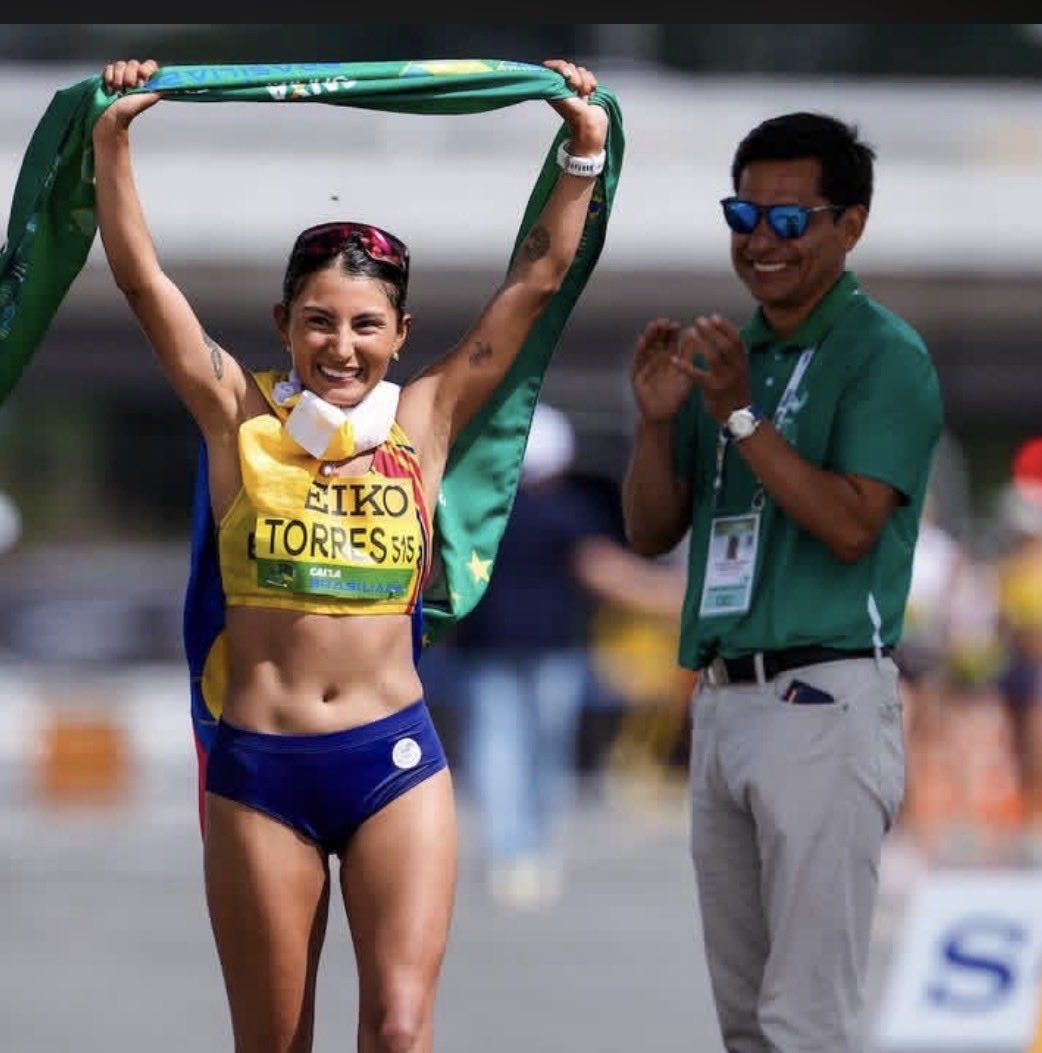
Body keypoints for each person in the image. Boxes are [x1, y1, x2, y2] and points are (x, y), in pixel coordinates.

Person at [94, 57, 608, 1053]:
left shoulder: (426, 416)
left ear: (400, 333)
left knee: (403, 1028)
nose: (340, 345)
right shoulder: (234, 414)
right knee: (275, 1043)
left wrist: (581, 152)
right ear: (284, 324)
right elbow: (140, 281)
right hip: (262, 768)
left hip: (394, 760)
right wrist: (113, 141)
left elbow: (537, 279)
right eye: (318, 321)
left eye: (366, 325)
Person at [620, 111, 943, 1052]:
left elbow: (850, 525)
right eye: (743, 215)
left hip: (824, 693)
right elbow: (648, 530)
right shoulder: (729, 353)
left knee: (805, 1021)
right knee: (748, 1025)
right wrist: (654, 423)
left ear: (852, 225)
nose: (761, 241)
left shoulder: (885, 355)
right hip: (722, 701)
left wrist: (741, 418)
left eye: (791, 221)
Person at [451, 400, 683, 909]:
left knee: (496, 750)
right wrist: (679, 598)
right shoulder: (567, 510)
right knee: (543, 751)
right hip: (552, 651)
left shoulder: (476, 509)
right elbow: (605, 573)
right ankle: (531, 849)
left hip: (485, 648)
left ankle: (507, 853)